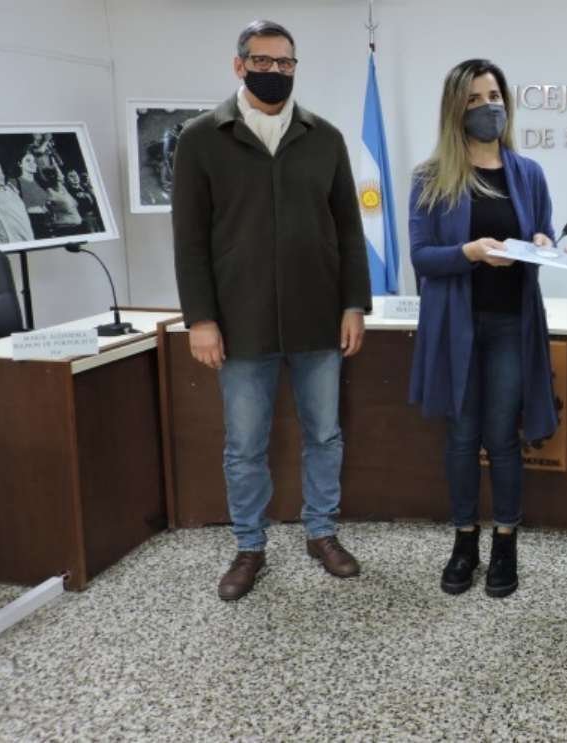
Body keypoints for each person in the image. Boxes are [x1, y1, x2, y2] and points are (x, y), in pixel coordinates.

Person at [172, 19, 372, 601]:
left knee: (325, 435)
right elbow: (189, 240)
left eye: (285, 63)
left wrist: (354, 304)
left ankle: (322, 533)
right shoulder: (201, 138)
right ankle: (249, 546)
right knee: (244, 445)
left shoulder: (324, 137)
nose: (275, 72)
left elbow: (349, 230)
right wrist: (200, 319)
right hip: (240, 322)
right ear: (239, 65)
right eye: (262, 61)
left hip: (318, 316)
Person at [408, 59, 557, 598]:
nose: (487, 106)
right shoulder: (431, 177)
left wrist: (542, 245)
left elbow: (544, 238)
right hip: (457, 327)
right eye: (474, 99)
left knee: (502, 437)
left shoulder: (528, 173)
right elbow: (422, 256)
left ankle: (505, 543)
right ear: (455, 108)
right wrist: (469, 253)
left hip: (511, 324)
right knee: (462, 436)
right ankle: (464, 541)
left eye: (493, 96)